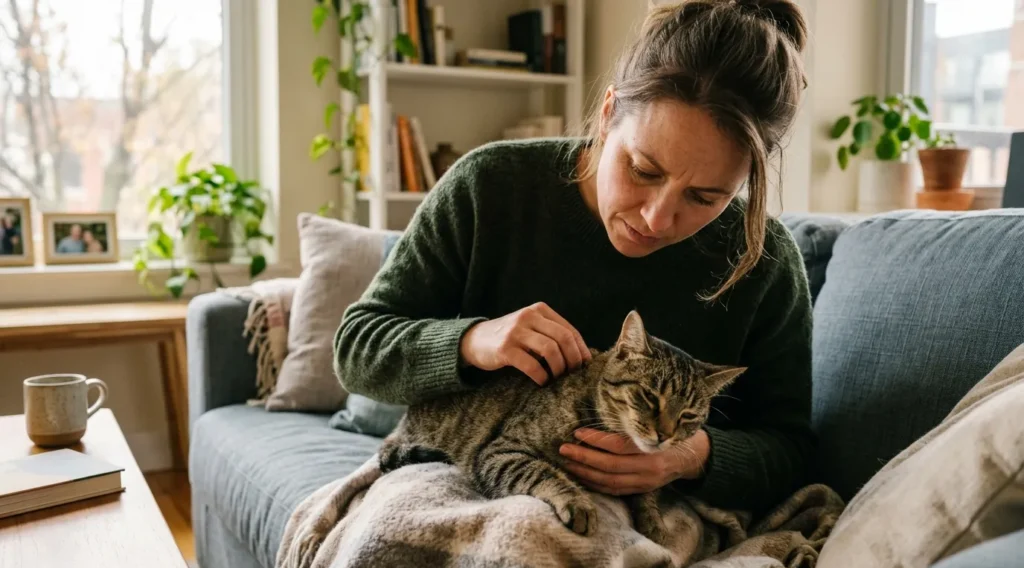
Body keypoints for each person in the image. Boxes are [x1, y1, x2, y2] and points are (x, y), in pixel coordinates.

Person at [335, 0, 812, 516]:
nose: (656, 218)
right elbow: (357, 349)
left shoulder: (765, 260)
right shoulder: (490, 188)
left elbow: (792, 449)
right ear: (608, 114)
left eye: (704, 198)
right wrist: (473, 340)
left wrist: (692, 457)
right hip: (474, 472)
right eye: (643, 171)